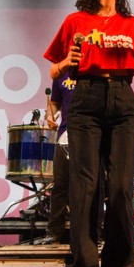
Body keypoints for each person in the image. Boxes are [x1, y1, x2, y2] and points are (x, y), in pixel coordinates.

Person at [44, 0, 134, 267]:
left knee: (123, 188)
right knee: (86, 186)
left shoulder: (131, 24)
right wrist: (70, 62)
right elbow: (55, 71)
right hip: (86, 99)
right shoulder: (75, 21)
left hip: (124, 101)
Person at [44, 71, 75, 244]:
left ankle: (95, 232)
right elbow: (55, 103)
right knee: (60, 184)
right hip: (65, 134)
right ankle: (55, 231)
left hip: (90, 134)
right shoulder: (60, 74)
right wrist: (51, 115)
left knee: (92, 186)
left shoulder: (93, 69)